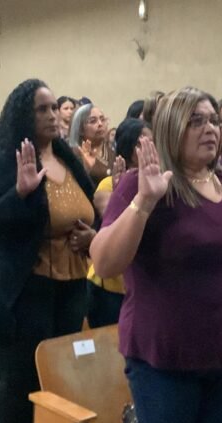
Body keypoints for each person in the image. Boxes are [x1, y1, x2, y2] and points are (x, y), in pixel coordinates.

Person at [91, 86, 222, 423]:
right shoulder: (140, 183)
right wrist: (144, 202)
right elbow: (105, 262)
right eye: (196, 121)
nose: (210, 128)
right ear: (171, 129)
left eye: (214, 121)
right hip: (165, 356)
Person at [0, 79, 96, 423]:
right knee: (20, 386)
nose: (53, 115)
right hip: (21, 291)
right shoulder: (6, 161)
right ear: (24, 115)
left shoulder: (68, 158)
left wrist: (93, 235)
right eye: (42, 109)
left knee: (55, 383)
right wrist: (19, 194)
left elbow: (87, 210)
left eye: (54, 107)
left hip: (70, 288)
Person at [86, 118, 151, 328]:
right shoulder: (107, 185)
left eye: (152, 141)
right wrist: (120, 190)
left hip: (138, 284)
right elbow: (113, 221)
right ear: (130, 149)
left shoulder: (158, 184)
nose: (150, 147)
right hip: (107, 286)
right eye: (142, 142)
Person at [68, 103, 114, 184]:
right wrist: (87, 169)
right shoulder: (73, 154)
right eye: (93, 121)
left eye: (102, 119)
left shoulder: (112, 152)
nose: (100, 124)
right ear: (80, 129)